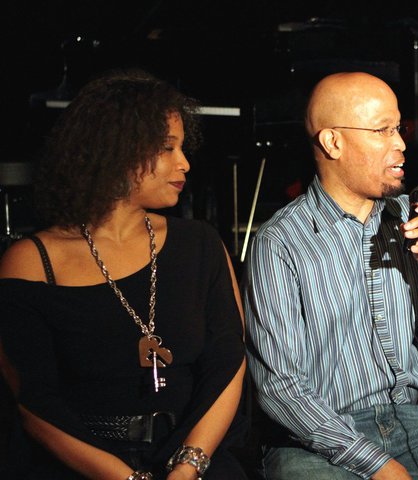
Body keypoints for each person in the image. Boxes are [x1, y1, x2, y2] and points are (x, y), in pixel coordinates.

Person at [243, 71, 418, 479]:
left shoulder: (413, 220)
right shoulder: (280, 242)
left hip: (412, 421)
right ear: (333, 142)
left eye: (399, 128)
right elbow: (280, 388)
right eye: (382, 130)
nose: (400, 144)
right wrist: (376, 463)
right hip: (315, 437)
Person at [0, 69, 247, 479]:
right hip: (85, 466)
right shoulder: (32, 261)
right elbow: (34, 403)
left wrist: (190, 464)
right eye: (167, 148)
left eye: (182, 147)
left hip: (194, 457)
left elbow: (228, 362)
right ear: (116, 150)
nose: (184, 162)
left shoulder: (199, 244)